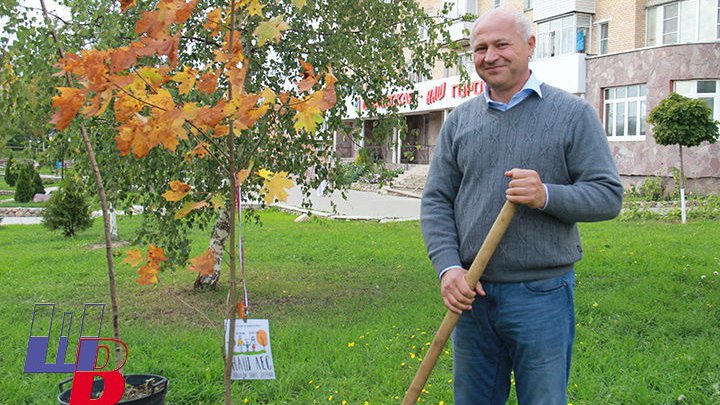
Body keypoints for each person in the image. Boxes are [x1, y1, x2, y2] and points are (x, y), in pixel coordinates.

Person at [420, 8, 623, 405]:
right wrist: (448, 268)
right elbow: (437, 200)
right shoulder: (460, 121)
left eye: (501, 44)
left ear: (530, 46)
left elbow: (607, 195)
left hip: (541, 294)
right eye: (480, 48)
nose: (489, 56)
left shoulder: (572, 114)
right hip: (471, 295)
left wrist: (547, 195)